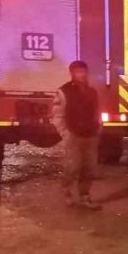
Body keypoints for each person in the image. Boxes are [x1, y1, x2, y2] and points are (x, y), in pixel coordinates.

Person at [52, 61, 102, 210]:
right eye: (78, 72)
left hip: (91, 135)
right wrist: (65, 133)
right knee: (73, 167)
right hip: (73, 135)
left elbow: (97, 112)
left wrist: (99, 128)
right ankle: (66, 190)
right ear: (72, 73)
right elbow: (57, 115)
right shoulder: (63, 91)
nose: (82, 75)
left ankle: (85, 196)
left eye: (84, 71)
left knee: (89, 168)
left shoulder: (92, 92)